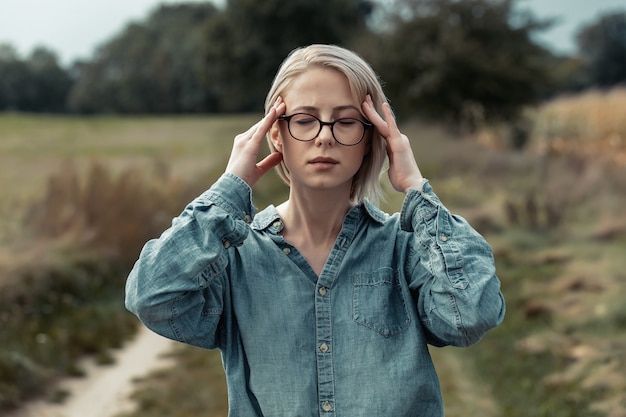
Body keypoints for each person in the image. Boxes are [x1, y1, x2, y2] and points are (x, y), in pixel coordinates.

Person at [125, 44, 505, 416]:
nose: (325, 136)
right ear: (276, 133)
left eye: (346, 121)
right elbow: (152, 297)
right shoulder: (236, 256)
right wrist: (228, 189)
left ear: (372, 137)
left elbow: (471, 314)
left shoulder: (404, 248)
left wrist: (415, 187)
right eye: (305, 120)